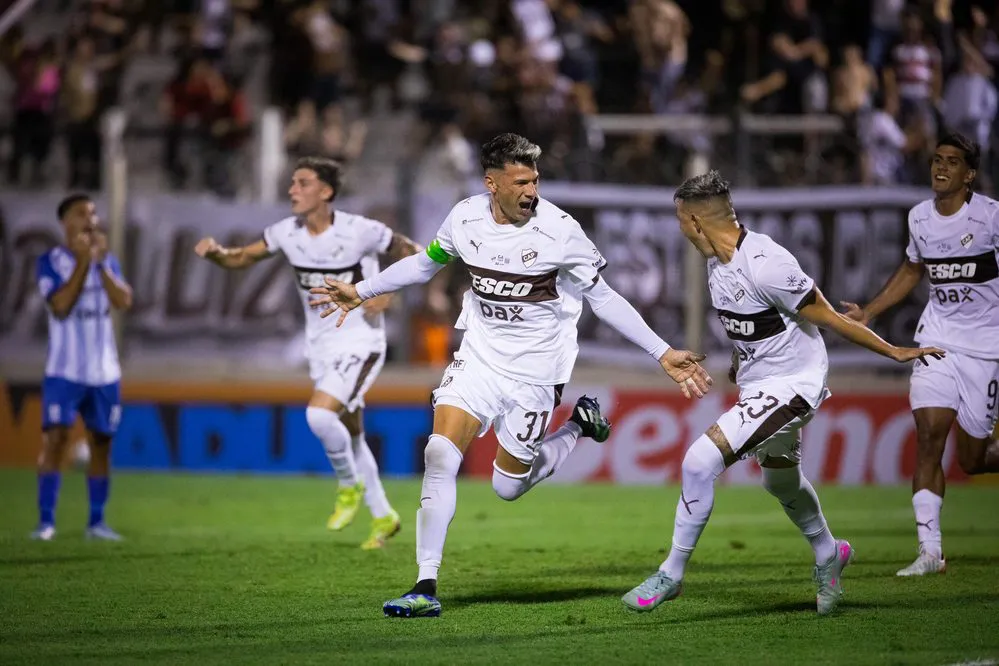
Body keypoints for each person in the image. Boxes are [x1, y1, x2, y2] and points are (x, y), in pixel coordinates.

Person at [309, 133, 713, 618]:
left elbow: (603, 298)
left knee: (507, 487)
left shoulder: (560, 231)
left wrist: (662, 351)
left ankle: (578, 426)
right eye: (521, 181)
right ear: (491, 183)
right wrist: (361, 289)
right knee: (439, 453)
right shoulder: (464, 218)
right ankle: (424, 586)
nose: (531, 191)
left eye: (535, 180)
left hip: (537, 372)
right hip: (479, 358)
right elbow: (424, 265)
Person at [621, 171, 944, 616]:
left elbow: (829, 316)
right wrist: (740, 364)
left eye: (680, 221)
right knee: (780, 480)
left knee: (699, 461)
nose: (680, 231)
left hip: (795, 387)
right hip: (761, 385)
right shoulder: (717, 265)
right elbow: (755, 329)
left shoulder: (768, 262)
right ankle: (829, 551)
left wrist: (892, 351)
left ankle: (671, 573)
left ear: (695, 222)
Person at [193, 156, 417, 550]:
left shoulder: (360, 231)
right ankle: (383, 516)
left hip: (361, 342)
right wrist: (215, 253)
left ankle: (348, 486)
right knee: (352, 432)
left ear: (326, 191)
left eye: (302, 183)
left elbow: (413, 251)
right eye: (292, 183)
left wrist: (387, 291)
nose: (292, 190)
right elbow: (243, 256)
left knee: (318, 415)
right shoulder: (286, 233)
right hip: (321, 347)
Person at [841, 132, 999, 576]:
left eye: (952, 162)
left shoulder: (991, 218)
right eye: (936, 160)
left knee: (974, 458)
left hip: (985, 348)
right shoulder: (919, 218)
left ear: (969, 175)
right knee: (929, 435)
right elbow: (914, 268)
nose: (940, 167)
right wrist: (869, 312)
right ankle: (930, 552)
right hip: (937, 339)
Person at [33, 195, 133, 541]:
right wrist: (81, 263)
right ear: (66, 222)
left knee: (101, 443)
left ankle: (97, 522)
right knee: (56, 440)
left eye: (92, 213)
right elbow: (60, 306)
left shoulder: (107, 261)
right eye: (82, 214)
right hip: (65, 371)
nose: (90, 220)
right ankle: (46, 523)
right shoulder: (50, 262)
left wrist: (100, 264)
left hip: (104, 372)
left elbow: (123, 301)